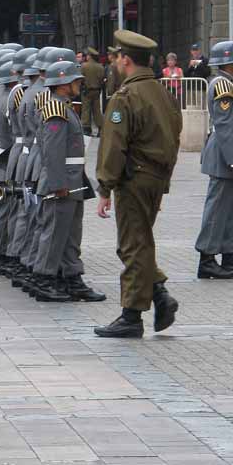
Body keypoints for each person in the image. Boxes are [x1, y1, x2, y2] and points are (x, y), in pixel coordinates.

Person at [94, 29, 183, 338]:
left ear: (127, 60)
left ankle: (132, 315)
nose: (116, 62)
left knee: (132, 245)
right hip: (156, 178)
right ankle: (159, 294)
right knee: (141, 241)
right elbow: (175, 137)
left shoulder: (125, 97)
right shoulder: (165, 94)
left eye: (118, 57)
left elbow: (114, 146)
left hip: (133, 180)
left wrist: (105, 187)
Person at [30, 60, 104, 302]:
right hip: (61, 184)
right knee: (52, 234)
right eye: (75, 80)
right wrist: (57, 184)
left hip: (72, 182)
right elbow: (52, 152)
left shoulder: (64, 106)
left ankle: (72, 278)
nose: (79, 84)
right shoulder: (56, 110)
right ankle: (44, 279)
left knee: (71, 234)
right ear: (63, 83)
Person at [194, 40, 233, 279]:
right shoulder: (222, 86)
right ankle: (206, 258)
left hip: (226, 154)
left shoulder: (227, 83)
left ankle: (228, 255)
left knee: (228, 211)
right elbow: (225, 124)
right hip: (223, 155)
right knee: (217, 209)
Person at [80, 47, 105, 136]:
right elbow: (102, 80)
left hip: (86, 91)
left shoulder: (84, 66)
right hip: (97, 91)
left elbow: (80, 79)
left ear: (90, 56)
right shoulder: (100, 67)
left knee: (86, 109)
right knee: (97, 110)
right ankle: (100, 127)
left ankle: (86, 128)